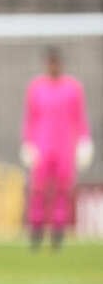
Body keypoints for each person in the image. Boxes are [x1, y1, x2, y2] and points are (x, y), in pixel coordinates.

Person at [20, 47, 92, 250]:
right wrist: (27, 142)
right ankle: (36, 229)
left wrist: (84, 141)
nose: (53, 67)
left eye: (56, 63)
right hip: (42, 145)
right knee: (39, 189)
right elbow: (30, 118)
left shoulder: (73, 88)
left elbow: (80, 118)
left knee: (63, 189)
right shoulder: (36, 88)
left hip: (65, 146)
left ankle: (59, 231)